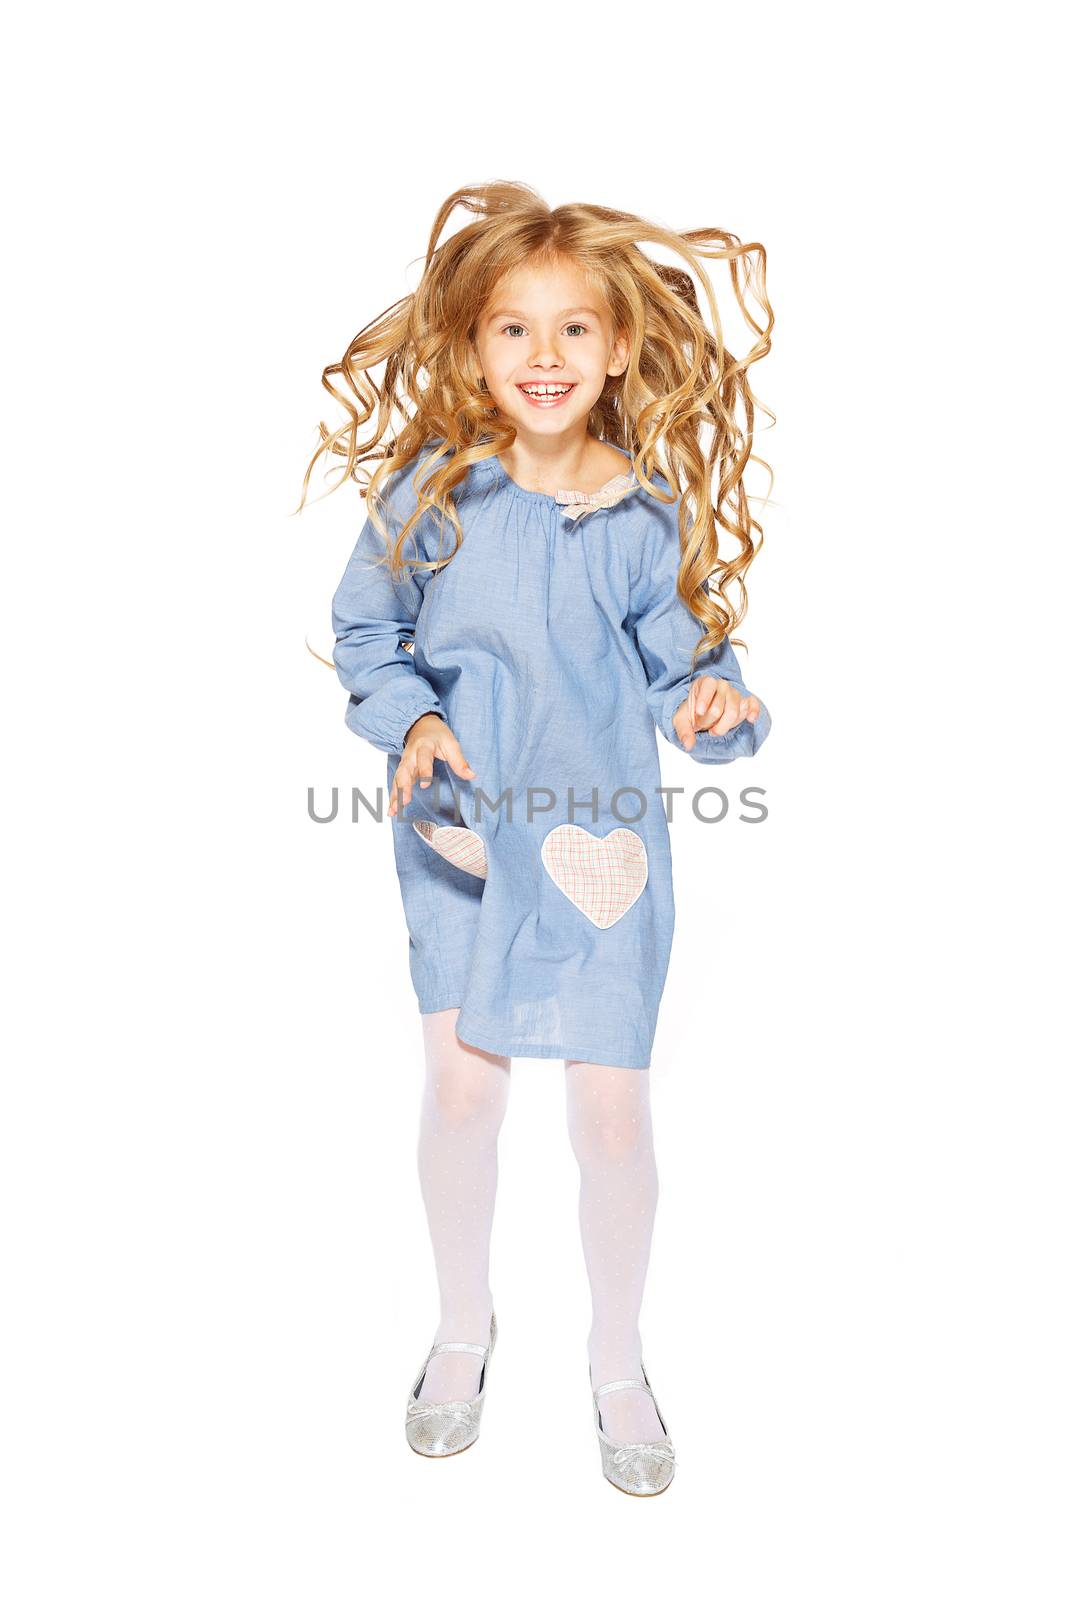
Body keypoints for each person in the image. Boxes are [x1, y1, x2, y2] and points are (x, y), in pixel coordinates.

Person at [302, 181, 774, 1495]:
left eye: (577, 330)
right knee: (462, 1088)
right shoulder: (433, 497)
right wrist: (410, 724)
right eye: (515, 329)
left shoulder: (643, 520)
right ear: (471, 348)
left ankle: (616, 1359)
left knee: (612, 1118)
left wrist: (713, 708)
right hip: (457, 831)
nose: (547, 357)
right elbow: (365, 637)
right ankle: (463, 1327)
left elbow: (688, 675)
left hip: (605, 842)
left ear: (622, 346)